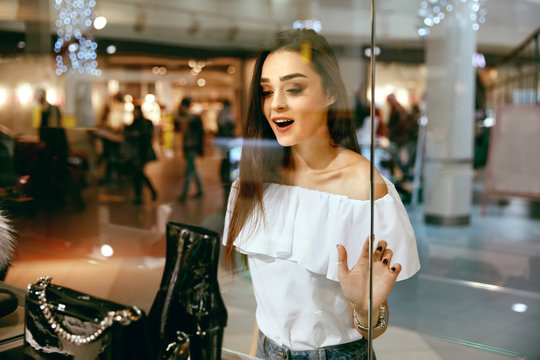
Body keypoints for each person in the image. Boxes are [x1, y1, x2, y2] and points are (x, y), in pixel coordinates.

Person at [222, 29, 420, 358]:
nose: (276, 104)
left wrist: (363, 307)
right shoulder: (256, 181)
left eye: (294, 88)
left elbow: (373, 326)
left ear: (330, 93)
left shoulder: (361, 188)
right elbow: (268, 307)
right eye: (267, 91)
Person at [124, 104, 157, 205]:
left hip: (143, 153)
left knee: (139, 173)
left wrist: (137, 134)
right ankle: (143, 194)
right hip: (136, 153)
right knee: (138, 174)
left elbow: (148, 136)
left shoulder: (146, 123)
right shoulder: (134, 123)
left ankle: (146, 193)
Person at [177, 97, 204, 202]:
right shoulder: (190, 118)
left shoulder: (192, 119)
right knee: (192, 169)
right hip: (190, 147)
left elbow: (196, 136)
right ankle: (199, 190)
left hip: (192, 147)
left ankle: (184, 193)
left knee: (188, 170)